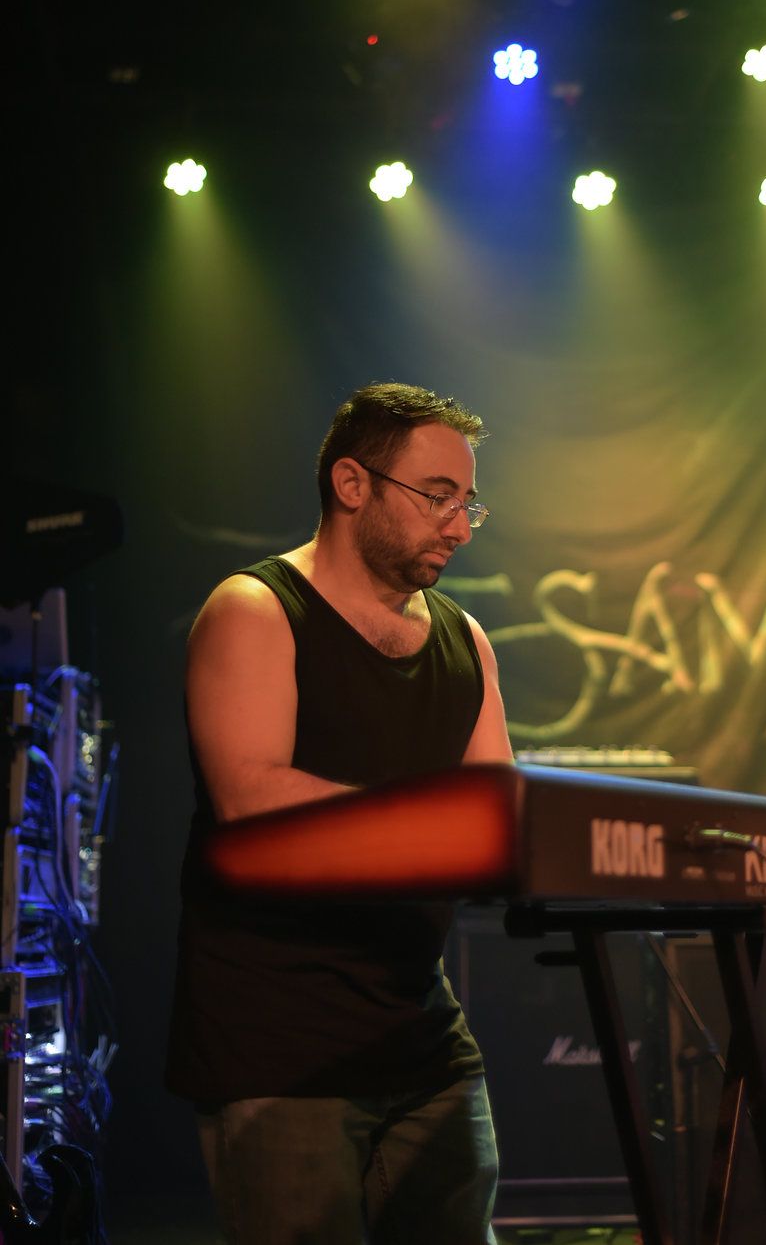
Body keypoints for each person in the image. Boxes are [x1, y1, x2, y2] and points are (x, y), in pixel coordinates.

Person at [165, 382, 513, 1245]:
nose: (460, 527)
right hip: (280, 1043)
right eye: (438, 497)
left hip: (423, 1035)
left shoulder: (466, 640)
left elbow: (494, 818)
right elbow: (252, 799)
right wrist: (440, 829)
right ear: (352, 484)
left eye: (469, 504)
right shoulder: (255, 609)